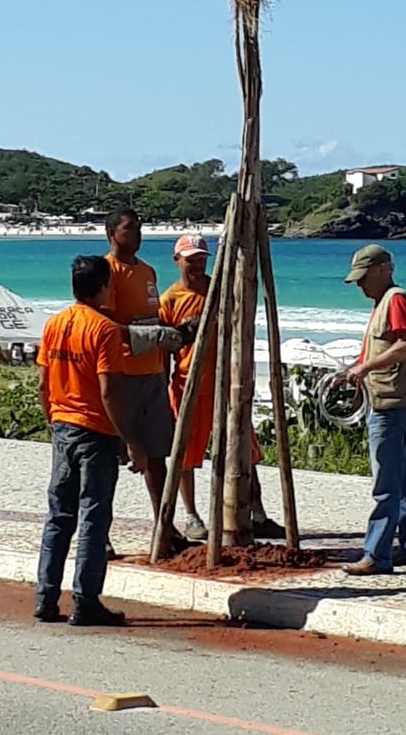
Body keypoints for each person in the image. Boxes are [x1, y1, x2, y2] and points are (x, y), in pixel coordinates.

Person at [34, 255, 147, 626]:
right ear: (102, 288)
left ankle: (46, 596)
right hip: (94, 430)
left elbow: (43, 383)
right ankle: (85, 600)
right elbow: (109, 391)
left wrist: (53, 418)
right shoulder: (104, 330)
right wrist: (130, 439)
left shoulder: (55, 325)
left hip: (63, 427)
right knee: (93, 517)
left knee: (59, 516)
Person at [158, 233, 286, 541]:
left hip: (227, 384)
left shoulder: (221, 290)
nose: (198, 266)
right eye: (192, 260)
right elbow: (164, 351)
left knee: (245, 451)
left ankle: (256, 512)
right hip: (189, 384)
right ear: (178, 261)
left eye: (202, 259)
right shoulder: (170, 300)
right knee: (185, 455)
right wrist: (161, 391)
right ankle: (190, 515)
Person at [104, 209, 189, 551]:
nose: (137, 234)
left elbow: (153, 318)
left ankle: (164, 525)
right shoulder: (108, 272)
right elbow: (105, 328)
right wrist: (148, 336)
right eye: (129, 228)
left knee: (157, 455)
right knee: (110, 456)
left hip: (152, 374)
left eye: (140, 227)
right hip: (122, 376)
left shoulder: (148, 272)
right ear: (111, 233)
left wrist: (167, 341)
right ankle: (100, 533)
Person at [342, 244, 406, 576]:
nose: (361, 286)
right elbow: (383, 350)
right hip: (386, 400)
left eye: (364, 278)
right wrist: (354, 368)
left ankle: (376, 555)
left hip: (391, 403)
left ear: (383, 269)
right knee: (402, 479)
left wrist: (363, 369)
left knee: (385, 483)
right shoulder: (384, 302)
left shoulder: (396, 300)